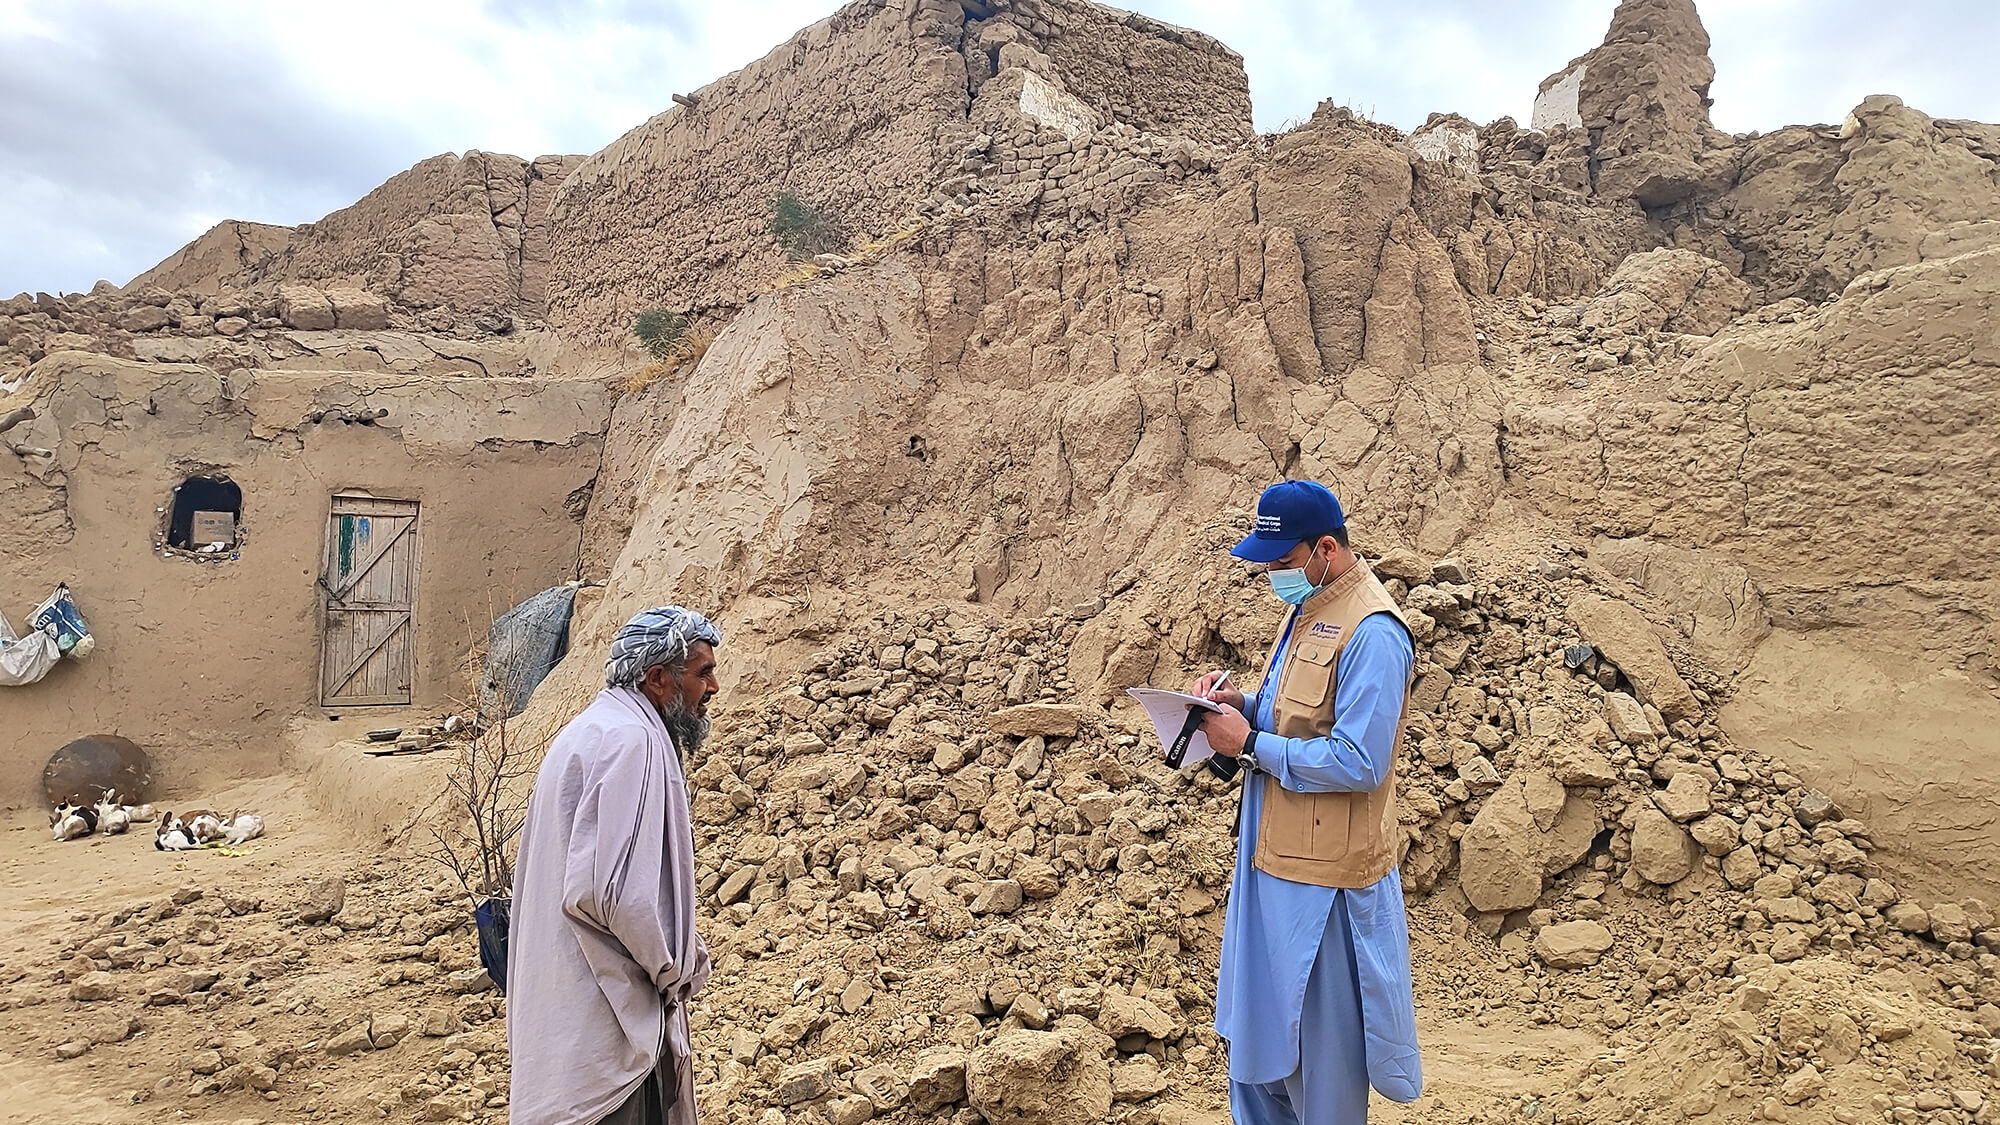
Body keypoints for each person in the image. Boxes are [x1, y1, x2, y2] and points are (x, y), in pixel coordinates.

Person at [1193, 480, 1423, 1124]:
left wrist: (1251, 746)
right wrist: (1241, 709)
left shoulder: (1374, 631)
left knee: (1318, 1068)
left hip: (1323, 887)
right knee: (1259, 1053)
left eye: (1283, 562)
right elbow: (1297, 720)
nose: (1273, 575)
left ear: (1326, 547)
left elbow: (1359, 760)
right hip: (1270, 863)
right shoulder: (1309, 606)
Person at [508, 605, 723, 1125]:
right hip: (604, 1019)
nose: (713, 687)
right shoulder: (635, 742)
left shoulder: (591, 729)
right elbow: (616, 895)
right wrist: (674, 968)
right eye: (702, 673)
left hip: (564, 1010)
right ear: (658, 679)